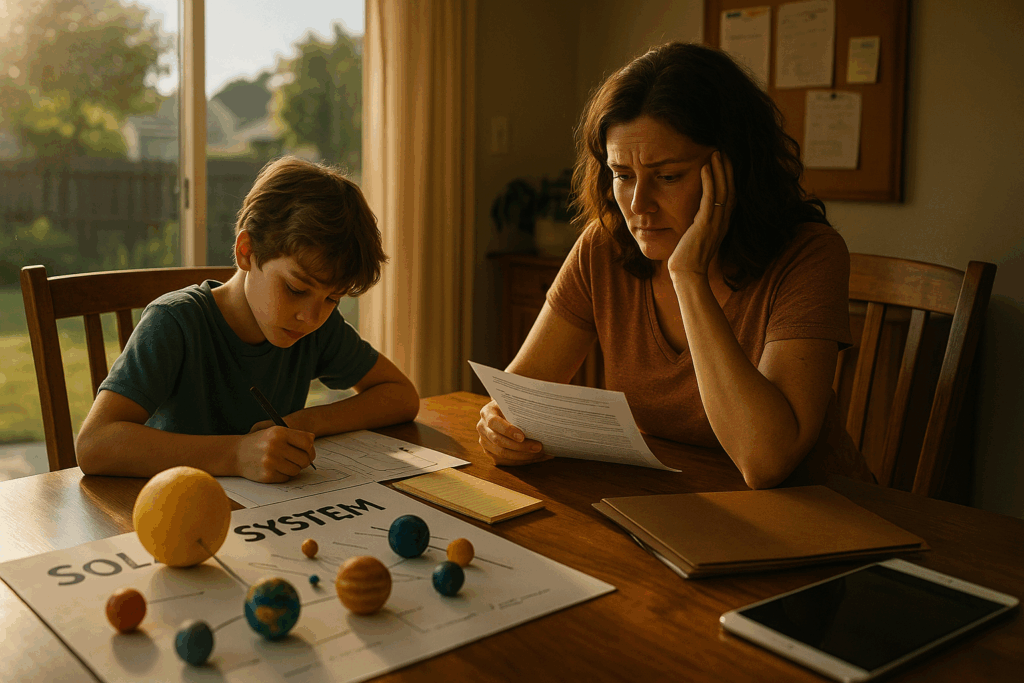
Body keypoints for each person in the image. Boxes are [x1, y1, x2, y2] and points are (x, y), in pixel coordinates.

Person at [477, 42, 874, 489]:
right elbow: (521, 394)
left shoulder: (809, 254)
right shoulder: (605, 247)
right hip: (678, 501)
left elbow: (766, 462)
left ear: (733, 168)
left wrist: (688, 276)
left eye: (667, 177)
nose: (638, 206)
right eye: (622, 175)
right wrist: (500, 424)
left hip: (817, 514)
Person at [76, 156, 420, 482]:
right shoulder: (175, 323)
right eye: (296, 288)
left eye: (332, 298)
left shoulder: (317, 328)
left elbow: (401, 396)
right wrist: (236, 455)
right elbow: (94, 445)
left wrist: (306, 421)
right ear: (247, 252)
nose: (310, 316)